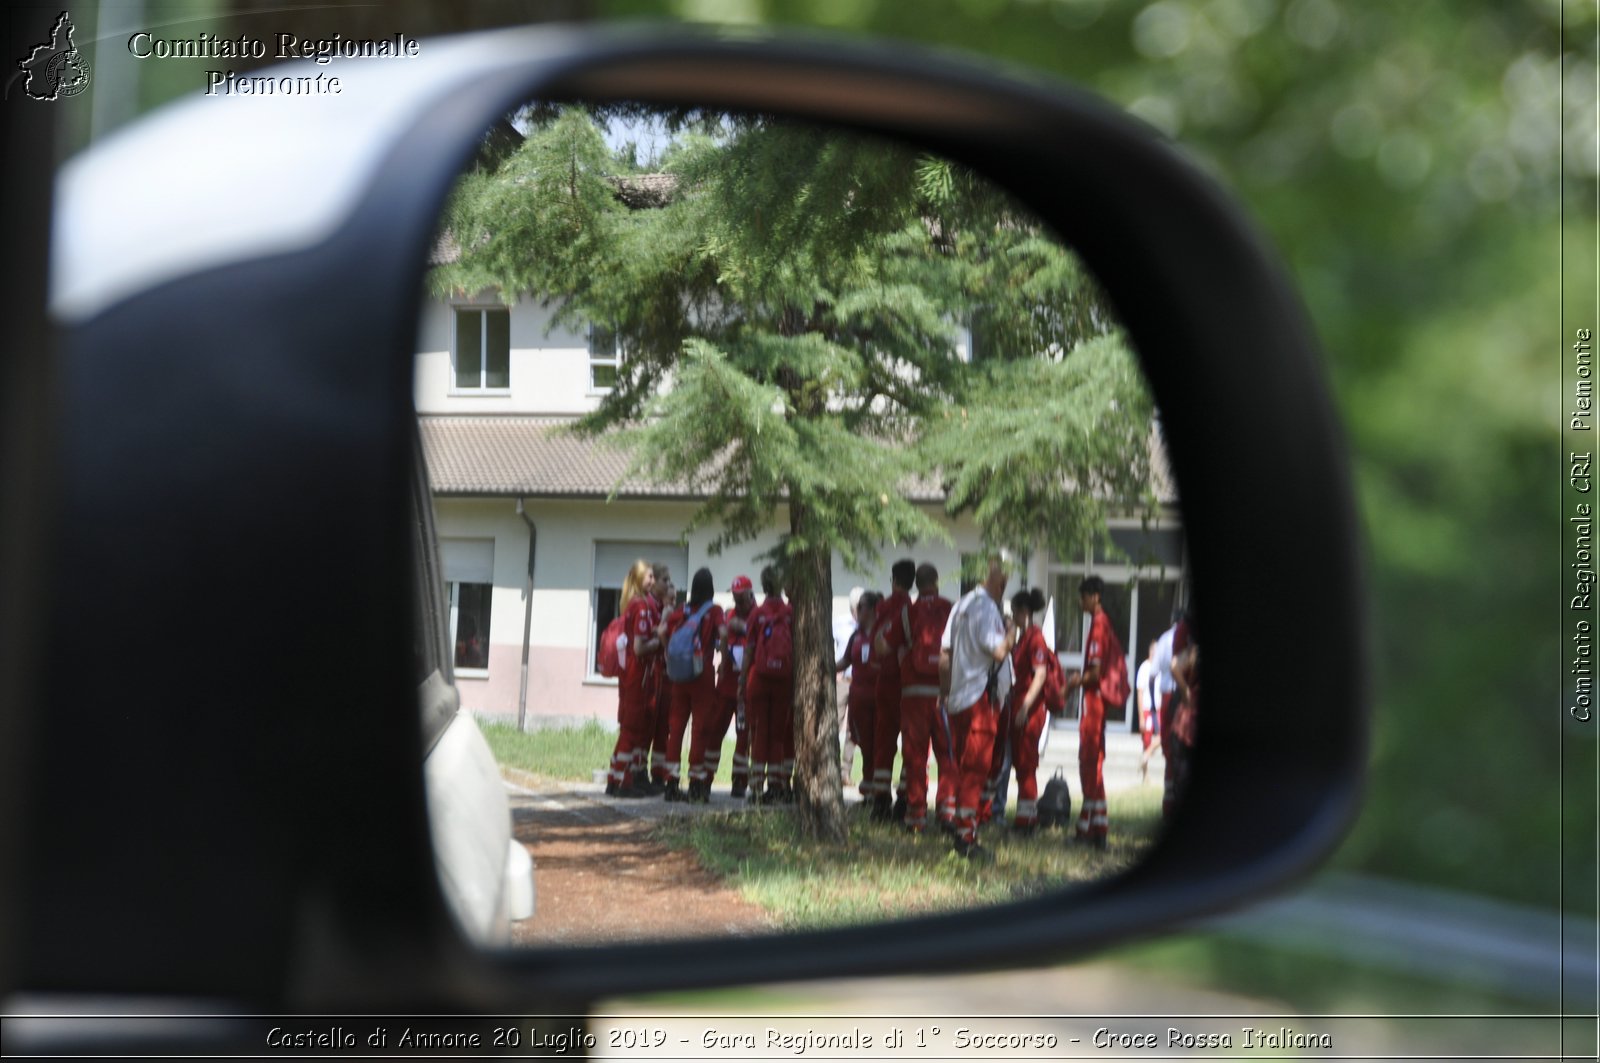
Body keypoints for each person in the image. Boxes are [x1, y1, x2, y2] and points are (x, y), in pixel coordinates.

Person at [938, 555, 1013, 863]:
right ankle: (966, 836)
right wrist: (1011, 632)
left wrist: (945, 694)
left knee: (963, 767)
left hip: (957, 698)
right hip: (978, 699)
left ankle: (961, 824)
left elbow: (944, 654)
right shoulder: (986, 608)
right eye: (1005, 581)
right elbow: (997, 650)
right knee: (976, 769)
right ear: (999, 581)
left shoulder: (960, 606)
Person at [1065, 574, 1123, 848]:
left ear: (1095, 597)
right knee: (1093, 765)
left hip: (1094, 704)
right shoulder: (1103, 623)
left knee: (1089, 764)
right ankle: (1094, 827)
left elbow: (1096, 672)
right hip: (1096, 703)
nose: (1081, 601)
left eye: (1084, 596)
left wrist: (1076, 681)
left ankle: (1091, 832)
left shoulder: (1099, 626)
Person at [900, 564, 953, 833]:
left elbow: (891, 646)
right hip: (944, 694)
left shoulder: (908, 611)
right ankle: (947, 813)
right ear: (936, 581)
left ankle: (916, 817)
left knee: (916, 757)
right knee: (947, 755)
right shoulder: (949, 608)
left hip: (914, 695)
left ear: (917, 585)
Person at [605, 560, 666, 798]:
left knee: (636, 729)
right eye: (649, 577)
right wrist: (659, 640)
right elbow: (640, 648)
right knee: (631, 730)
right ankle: (620, 782)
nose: (652, 581)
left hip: (639, 676)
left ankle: (620, 778)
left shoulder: (638, 605)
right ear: (640, 580)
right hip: (637, 676)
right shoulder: (640, 607)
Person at [664, 568, 723, 802]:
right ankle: (697, 785)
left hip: (679, 676)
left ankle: (671, 782)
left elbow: (663, 631)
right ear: (711, 589)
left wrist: (671, 657)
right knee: (700, 730)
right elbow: (725, 633)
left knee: (675, 729)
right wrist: (723, 656)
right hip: (702, 674)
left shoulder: (682, 610)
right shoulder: (715, 611)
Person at [995, 588, 1051, 833]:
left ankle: (1027, 821)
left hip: (1030, 711)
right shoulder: (1024, 637)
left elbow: (1040, 675)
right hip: (1019, 707)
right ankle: (1024, 817)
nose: (1013, 616)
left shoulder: (1036, 638)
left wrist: (1025, 707)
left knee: (1027, 765)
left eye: (1015, 612)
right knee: (1020, 764)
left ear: (1024, 612)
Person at [694, 574, 755, 800]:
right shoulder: (728, 615)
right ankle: (706, 779)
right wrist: (730, 628)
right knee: (713, 732)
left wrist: (746, 627)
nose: (738, 602)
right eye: (735, 597)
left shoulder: (757, 617)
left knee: (743, 736)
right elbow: (720, 641)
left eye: (742, 598)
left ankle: (740, 782)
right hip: (726, 684)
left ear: (750, 594)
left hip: (746, 687)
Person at [868, 559, 916, 820]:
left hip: (883, 680)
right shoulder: (910, 607)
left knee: (883, 743)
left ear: (894, 580)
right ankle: (904, 798)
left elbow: (876, 641)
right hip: (905, 683)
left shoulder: (883, 605)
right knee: (910, 742)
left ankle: (879, 800)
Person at [741, 566, 793, 804]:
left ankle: (757, 789)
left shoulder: (757, 613)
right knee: (778, 735)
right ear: (782, 584)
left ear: (763, 586)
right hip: (783, 680)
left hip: (758, 680)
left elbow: (749, 649)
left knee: (759, 732)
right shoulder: (791, 612)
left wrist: (742, 679)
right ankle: (776, 785)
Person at [837, 590, 881, 801]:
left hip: (880, 698)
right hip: (858, 698)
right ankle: (868, 788)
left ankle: (878, 793)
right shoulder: (856, 635)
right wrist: (823, 667)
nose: (857, 611)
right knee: (863, 744)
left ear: (872, 609)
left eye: (861, 607)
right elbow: (845, 661)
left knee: (879, 746)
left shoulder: (883, 634)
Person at [641, 564, 675, 793]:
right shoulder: (648, 606)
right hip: (650, 675)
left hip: (666, 675)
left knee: (664, 727)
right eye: (666, 580)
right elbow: (647, 638)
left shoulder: (665, 607)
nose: (669, 584)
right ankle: (639, 773)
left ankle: (658, 775)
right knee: (646, 726)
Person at [1136, 638, 1160, 783]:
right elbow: (1140, 693)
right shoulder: (1144, 668)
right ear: (1151, 652)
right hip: (1147, 710)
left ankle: (1145, 756)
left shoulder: (1159, 668)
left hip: (1157, 711)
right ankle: (1145, 776)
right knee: (1146, 742)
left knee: (1162, 736)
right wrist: (1141, 717)